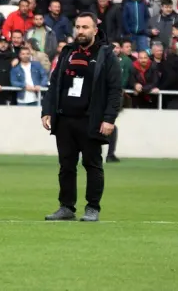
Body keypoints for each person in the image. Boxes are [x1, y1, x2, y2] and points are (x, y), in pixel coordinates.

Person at [42, 12, 122, 222]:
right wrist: (47, 110)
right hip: (65, 119)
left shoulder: (106, 54)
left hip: (91, 119)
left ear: (95, 30)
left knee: (92, 165)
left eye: (85, 27)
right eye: (77, 27)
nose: (80, 31)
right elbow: (54, 84)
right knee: (66, 166)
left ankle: (92, 207)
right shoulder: (67, 53)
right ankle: (66, 207)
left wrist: (109, 118)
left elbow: (115, 90)